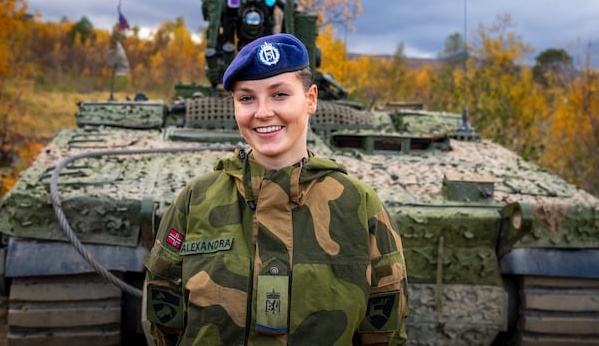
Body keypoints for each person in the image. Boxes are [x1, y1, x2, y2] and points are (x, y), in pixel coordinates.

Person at [144, 33, 408, 345]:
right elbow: (165, 314)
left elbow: (383, 328)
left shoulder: (358, 206)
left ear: (310, 99)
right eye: (246, 98)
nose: (262, 112)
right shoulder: (196, 200)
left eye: (279, 94)